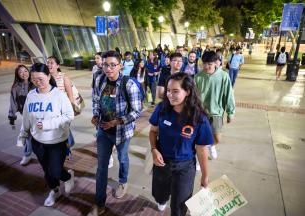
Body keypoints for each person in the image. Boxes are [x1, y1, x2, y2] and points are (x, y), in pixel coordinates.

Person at [149, 73, 213, 215]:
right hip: (161, 163)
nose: (170, 95)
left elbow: (202, 150)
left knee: (179, 207)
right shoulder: (162, 109)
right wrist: (154, 149)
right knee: (159, 195)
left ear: (188, 92)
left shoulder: (199, 118)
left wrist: (205, 175)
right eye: (168, 90)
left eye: (175, 91)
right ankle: (162, 199)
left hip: (185, 166)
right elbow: (153, 131)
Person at [89, 50, 142, 216]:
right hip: (103, 130)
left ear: (120, 66)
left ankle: (123, 181)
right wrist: (96, 115)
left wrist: (118, 121)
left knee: (122, 158)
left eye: (113, 65)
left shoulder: (129, 84)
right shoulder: (99, 79)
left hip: (121, 131)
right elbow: (96, 100)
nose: (109, 68)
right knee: (101, 167)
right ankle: (100, 203)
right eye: (105, 64)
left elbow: (136, 111)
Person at [17, 63, 75, 207]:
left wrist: (49, 124)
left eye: (41, 79)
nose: (37, 83)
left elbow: (69, 115)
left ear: (49, 76)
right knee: (47, 172)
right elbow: (26, 117)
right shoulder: (31, 95)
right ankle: (55, 190)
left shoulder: (59, 95)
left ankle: (68, 176)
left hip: (57, 141)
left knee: (55, 171)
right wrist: (23, 135)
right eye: (34, 79)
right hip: (38, 141)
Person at [195, 51, 235, 160]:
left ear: (216, 63)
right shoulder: (198, 77)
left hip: (216, 112)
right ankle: (200, 158)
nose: (207, 67)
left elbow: (229, 94)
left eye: (210, 64)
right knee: (200, 138)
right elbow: (193, 96)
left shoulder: (223, 76)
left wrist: (231, 112)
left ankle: (211, 146)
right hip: (201, 113)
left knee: (217, 138)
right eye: (205, 64)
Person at [47, 56, 75, 156]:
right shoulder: (46, 77)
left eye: (51, 63)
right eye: (48, 62)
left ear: (57, 65)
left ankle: (67, 150)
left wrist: (71, 110)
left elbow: (70, 95)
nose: (49, 65)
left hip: (63, 110)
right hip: (51, 110)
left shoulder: (63, 77)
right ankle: (60, 150)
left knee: (64, 131)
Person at [8, 65, 34, 166]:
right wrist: (11, 116)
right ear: (17, 75)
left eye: (25, 71)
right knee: (28, 135)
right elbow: (13, 102)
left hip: (39, 113)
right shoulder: (15, 87)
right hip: (26, 114)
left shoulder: (35, 83)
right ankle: (27, 154)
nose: (24, 73)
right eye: (21, 72)